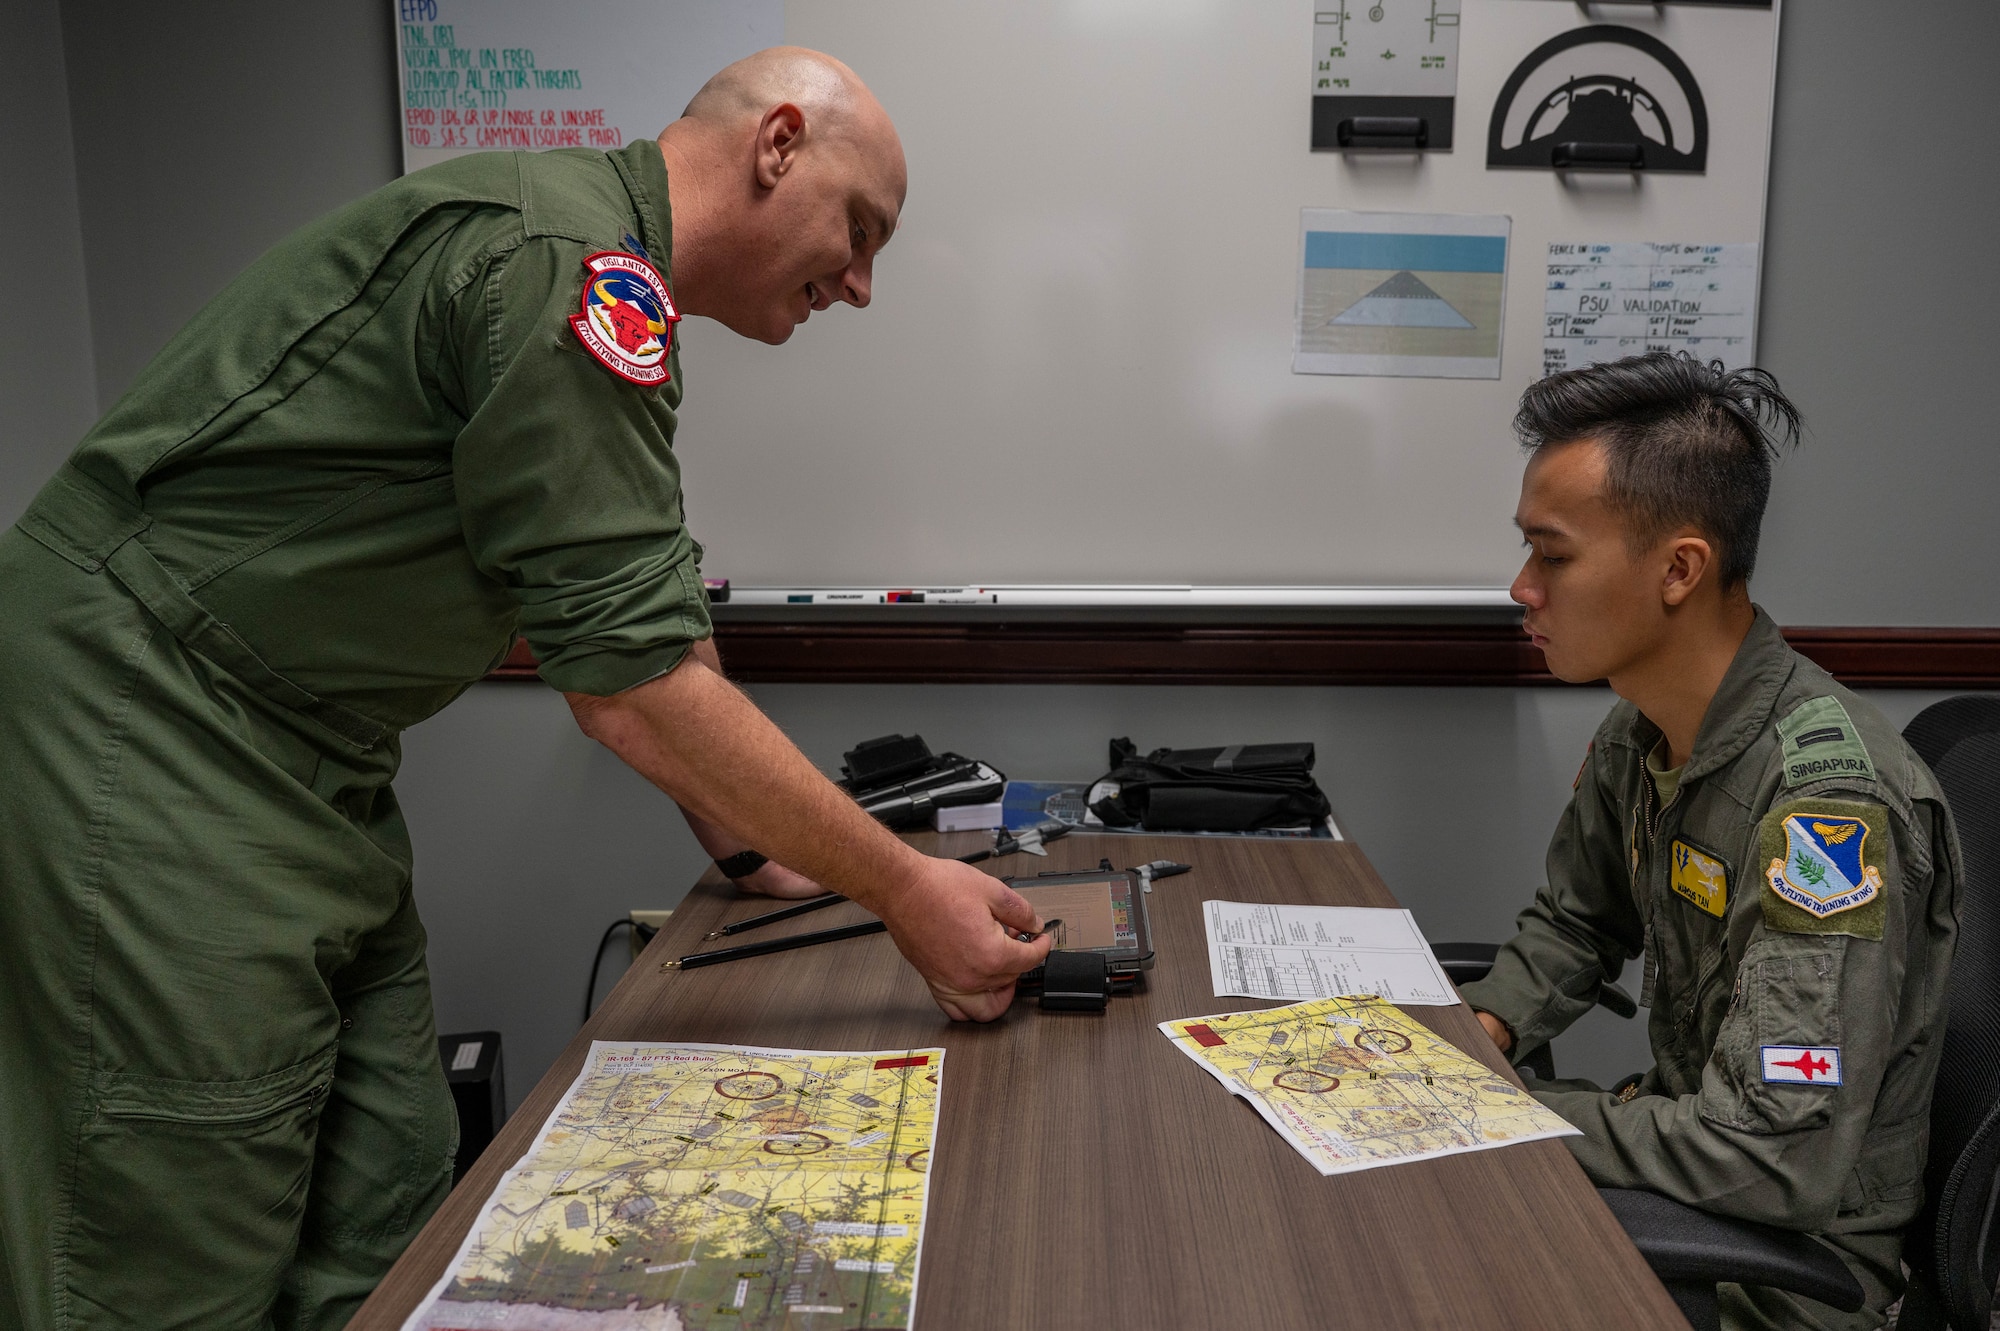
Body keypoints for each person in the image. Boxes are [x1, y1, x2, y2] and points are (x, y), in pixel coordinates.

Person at [0, 47, 1051, 1330]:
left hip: (310, 758)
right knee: (177, 1209)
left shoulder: (613, 278)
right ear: (778, 145)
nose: (863, 283)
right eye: (859, 228)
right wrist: (897, 884)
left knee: (382, 1173)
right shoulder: (567, 264)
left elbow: (646, 613)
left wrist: (751, 855)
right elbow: (635, 691)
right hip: (152, 716)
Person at [1458, 352, 1959, 1329]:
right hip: (1681, 1189)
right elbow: (1575, 918)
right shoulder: (1644, 727)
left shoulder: (1823, 812)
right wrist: (1486, 1029)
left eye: (1550, 554)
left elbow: (1770, 1152)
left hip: (1772, 1274)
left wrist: (1507, 1114)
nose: (1521, 586)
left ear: (1677, 568)